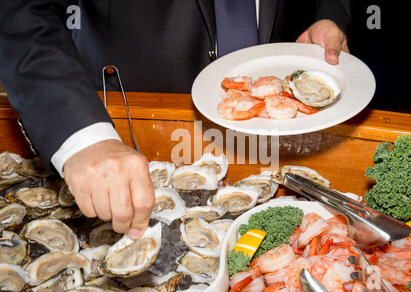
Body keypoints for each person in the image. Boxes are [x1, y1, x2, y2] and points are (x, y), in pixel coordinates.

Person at [0, 0, 350, 239]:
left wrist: (329, 14)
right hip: (128, 126)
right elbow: (21, 12)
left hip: (280, 128)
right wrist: (82, 137)